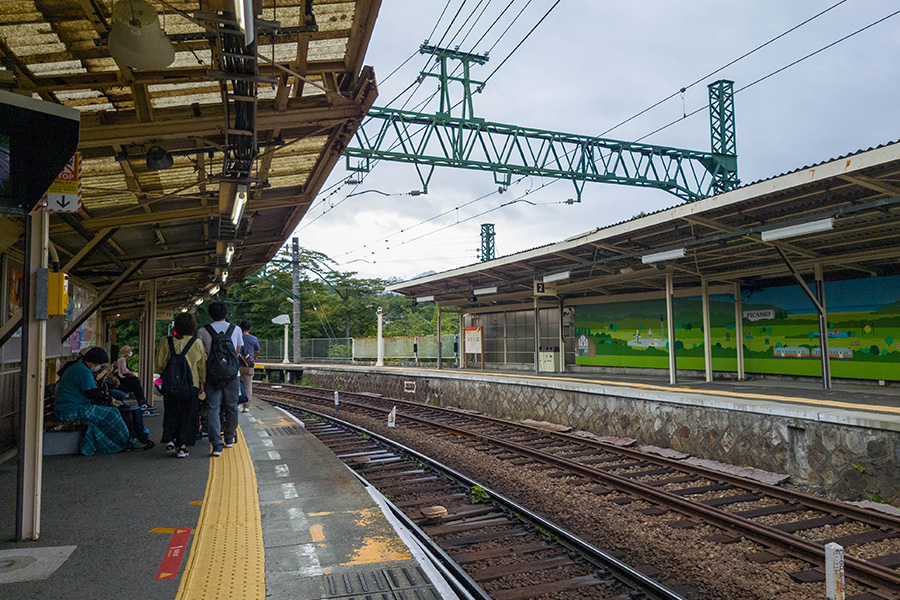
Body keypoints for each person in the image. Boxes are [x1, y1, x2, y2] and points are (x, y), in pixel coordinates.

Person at [54, 347, 140, 454]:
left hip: (69, 406)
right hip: (72, 409)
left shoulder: (79, 368)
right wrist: (109, 399)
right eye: (100, 364)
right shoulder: (82, 371)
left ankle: (120, 441)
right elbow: (93, 392)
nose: (99, 367)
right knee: (113, 413)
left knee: (110, 411)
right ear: (93, 362)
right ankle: (125, 442)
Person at [155, 312, 206, 458]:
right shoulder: (197, 343)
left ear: (176, 325)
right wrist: (202, 383)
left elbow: (159, 365)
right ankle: (182, 447)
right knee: (187, 415)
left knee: (170, 412)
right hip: (191, 386)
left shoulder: (166, 342)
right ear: (192, 326)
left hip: (170, 385)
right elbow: (201, 366)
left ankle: (170, 440)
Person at [197, 301, 242, 457]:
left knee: (212, 409)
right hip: (232, 376)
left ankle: (216, 445)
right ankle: (229, 438)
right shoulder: (236, 329)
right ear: (227, 314)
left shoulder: (203, 331)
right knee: (232, 406)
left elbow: (201, 355)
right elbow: (237, 352)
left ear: (210, 315)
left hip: (211, 376)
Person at [238, 320, 259, 413]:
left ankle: (237, 404)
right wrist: (255, 357)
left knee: (237, 385)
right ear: (249, 328)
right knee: (248, 386)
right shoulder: (254, 339)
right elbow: (257, 350)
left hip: (238, 365)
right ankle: (246, 407)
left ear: (240, 328)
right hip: (249, 365)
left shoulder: (237, 337)